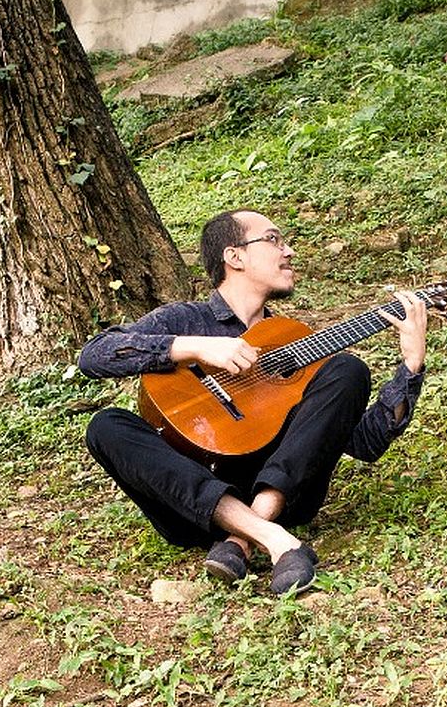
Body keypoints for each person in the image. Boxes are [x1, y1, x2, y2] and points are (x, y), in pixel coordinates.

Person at [79, 209, 428, 594]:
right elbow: (95, 355)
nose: (289, 251)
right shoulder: (187, 319)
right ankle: (272, 538)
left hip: (286, 493)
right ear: (235, 256)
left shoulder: (292, 340)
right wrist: (195, 345)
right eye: (274, 239)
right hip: (192, 505)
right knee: (105, 426)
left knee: (348, 369)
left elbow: (364, 443)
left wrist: (411, 366)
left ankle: (243, 538)